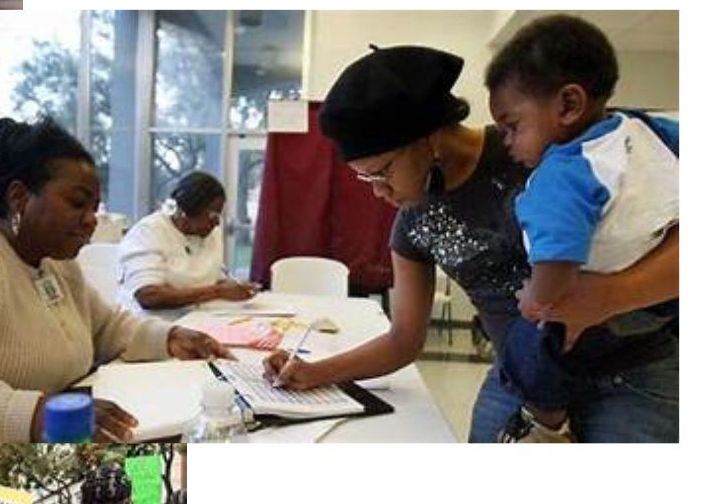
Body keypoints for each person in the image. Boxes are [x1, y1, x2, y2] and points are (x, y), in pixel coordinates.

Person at [261, 44, 681, 443]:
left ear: (427, 137)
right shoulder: (414, 222)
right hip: (523, 380)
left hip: (630, 371)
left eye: (382, 171)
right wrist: (314, 372)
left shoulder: (534, 145)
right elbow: (403, 340)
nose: (378, 191)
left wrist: (609, 295)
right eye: (365, 178)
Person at [0, 116, 232, 441]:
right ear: (19, 198)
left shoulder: (55, 262)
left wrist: (170, 337)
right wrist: (34, 415)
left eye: (95, 207)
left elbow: (105, 328)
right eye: (78, 203)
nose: (91, 220)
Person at [485, 14, 680, 443]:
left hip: (583, 320)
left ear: (569, 105)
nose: (507, 142)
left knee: (526, 346)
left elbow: (556, 260)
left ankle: (545, 425)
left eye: (512, 126)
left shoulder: (564, 171)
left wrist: (537, 301)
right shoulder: (647, 130)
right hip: (658, 310)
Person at [119, 171, 259, 312]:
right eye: (213, 215)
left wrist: (237, 287)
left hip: (198, 316)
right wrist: (217, 291)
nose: (217, 222)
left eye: (219, 215)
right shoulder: (148, 232)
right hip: (153, 321)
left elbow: (217, 276)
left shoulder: (211, 234)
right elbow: (148, 296)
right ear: (186, 211)